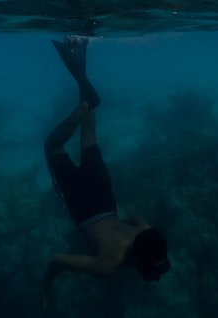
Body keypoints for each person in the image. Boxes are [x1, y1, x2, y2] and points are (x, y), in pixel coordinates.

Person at [41, 36, 170, 307]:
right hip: (84, 210)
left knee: (89, 136)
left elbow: (137, 217)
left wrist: (114, 225)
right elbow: (58, 260)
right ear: (136, 261)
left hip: (104, 200)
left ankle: (81, 67)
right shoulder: (108, 267)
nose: (155, 277)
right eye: (153, 271)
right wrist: (47, 285)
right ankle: (85, 102)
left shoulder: (145, 235)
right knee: (52, 146)